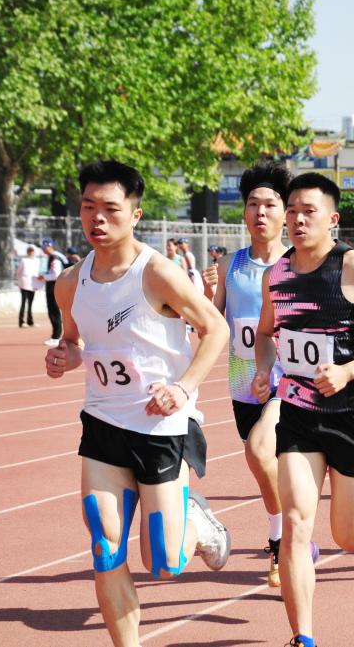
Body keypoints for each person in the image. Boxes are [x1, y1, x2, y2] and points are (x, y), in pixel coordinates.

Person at [44, 160, 232, 647]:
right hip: (103, 422)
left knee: (164, 563)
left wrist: (183, 388)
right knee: (104, 545)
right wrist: (65, 356)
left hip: (162, 428)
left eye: (110, 208)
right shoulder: (69, 283)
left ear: (135, 214)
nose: (97, 218)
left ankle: (196, 521)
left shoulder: (159, 273)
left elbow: (216, 328)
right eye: (88, 207)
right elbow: (74, 341)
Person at [253, 172, 354, 647]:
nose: (298, 219)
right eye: (293, 211)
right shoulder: (276, 275)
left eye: (310, 211)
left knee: (350, 538)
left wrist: (349, 370)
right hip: (299, 412)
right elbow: (266, 333)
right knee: (295, 524)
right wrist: (264, 369)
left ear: (333, 219)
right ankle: (303, 637)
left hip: (353, 413)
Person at [201, 160, 318, 588]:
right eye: (253, 204)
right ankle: (293, 533)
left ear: (285, 212)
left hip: (291, 381)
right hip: (243, 383)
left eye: (269, 204)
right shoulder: (229, 265)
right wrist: (203, 296)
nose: (260, 213)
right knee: (269, 465)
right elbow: (213, 324)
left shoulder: (300, 263)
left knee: (259, 450)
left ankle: (281, 541)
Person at [40, 240, 65, 346]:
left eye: (43, 247)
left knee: (54, 312)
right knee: (53, 312)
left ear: (49, 247)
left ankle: (56, 337)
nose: (42, 249)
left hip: (54, 286)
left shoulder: (55, 257)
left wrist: (44, 277)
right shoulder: (53, 257)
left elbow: (56, 274)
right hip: (53, 286)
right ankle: (56, 335)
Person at [16, 246, 41, 328]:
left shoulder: (37, 261)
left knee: (30, 304)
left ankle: (30, 321)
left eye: (32, 251)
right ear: (27, 252)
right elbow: (18, 271)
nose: (31, 253)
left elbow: (38, 272)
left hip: (33, 284)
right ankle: (21, 321)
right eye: (29, 251)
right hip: (24, 284)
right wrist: (20, 281)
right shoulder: (23, 260)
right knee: (23, 303)